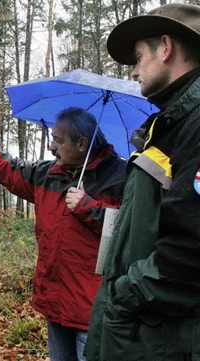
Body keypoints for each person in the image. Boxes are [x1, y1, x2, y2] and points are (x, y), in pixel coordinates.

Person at [84, 4, 200, 360]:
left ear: (165, 48)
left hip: (164, 338)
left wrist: (123, 294)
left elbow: (188, 254)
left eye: (137, 58)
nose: (133, 72)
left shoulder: (194, 125)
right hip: (147, 335)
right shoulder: (168, 125)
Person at [0, 107, 126, 361]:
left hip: (93, 310)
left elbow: (128, 232)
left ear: (82, 143)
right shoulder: (48, 174)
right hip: (55, 301)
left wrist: (88, 207)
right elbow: (9, 168)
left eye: (58, 141)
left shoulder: (122, 176)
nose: (51, 147)